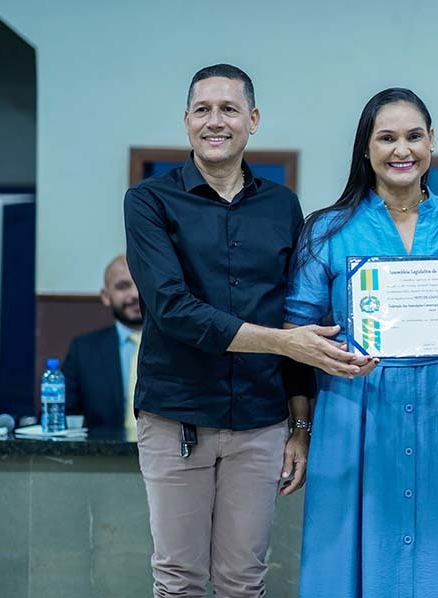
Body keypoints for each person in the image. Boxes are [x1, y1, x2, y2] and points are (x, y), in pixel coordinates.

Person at [124, 63, 364, 598]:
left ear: (252, 120)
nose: (216, 121)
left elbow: (297, 312)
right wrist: (282, 341)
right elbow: (171, 308)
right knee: (179, 580)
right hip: (176, 416)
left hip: (260, 422)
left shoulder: (282, 205)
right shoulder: (149, 201)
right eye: (203, 110)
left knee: (244, 582)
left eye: (229, 109)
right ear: (186, 121)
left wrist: (300, 428)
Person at [286, 88, 438, 597]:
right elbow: (296, 335)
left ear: (432, 143)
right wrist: (307, 410)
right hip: (355, 416)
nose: (401, 150)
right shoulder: (327, 229)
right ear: (366, 148)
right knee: (350, 562)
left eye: (414, 136)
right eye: (386, 138)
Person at [61, 254, 142, 431]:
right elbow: (59, 415)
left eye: (141, 283)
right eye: (123, 286)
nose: (135, 294)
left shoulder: (178, 346)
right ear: (106, 296)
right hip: (105, 456)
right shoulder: (83, 350)